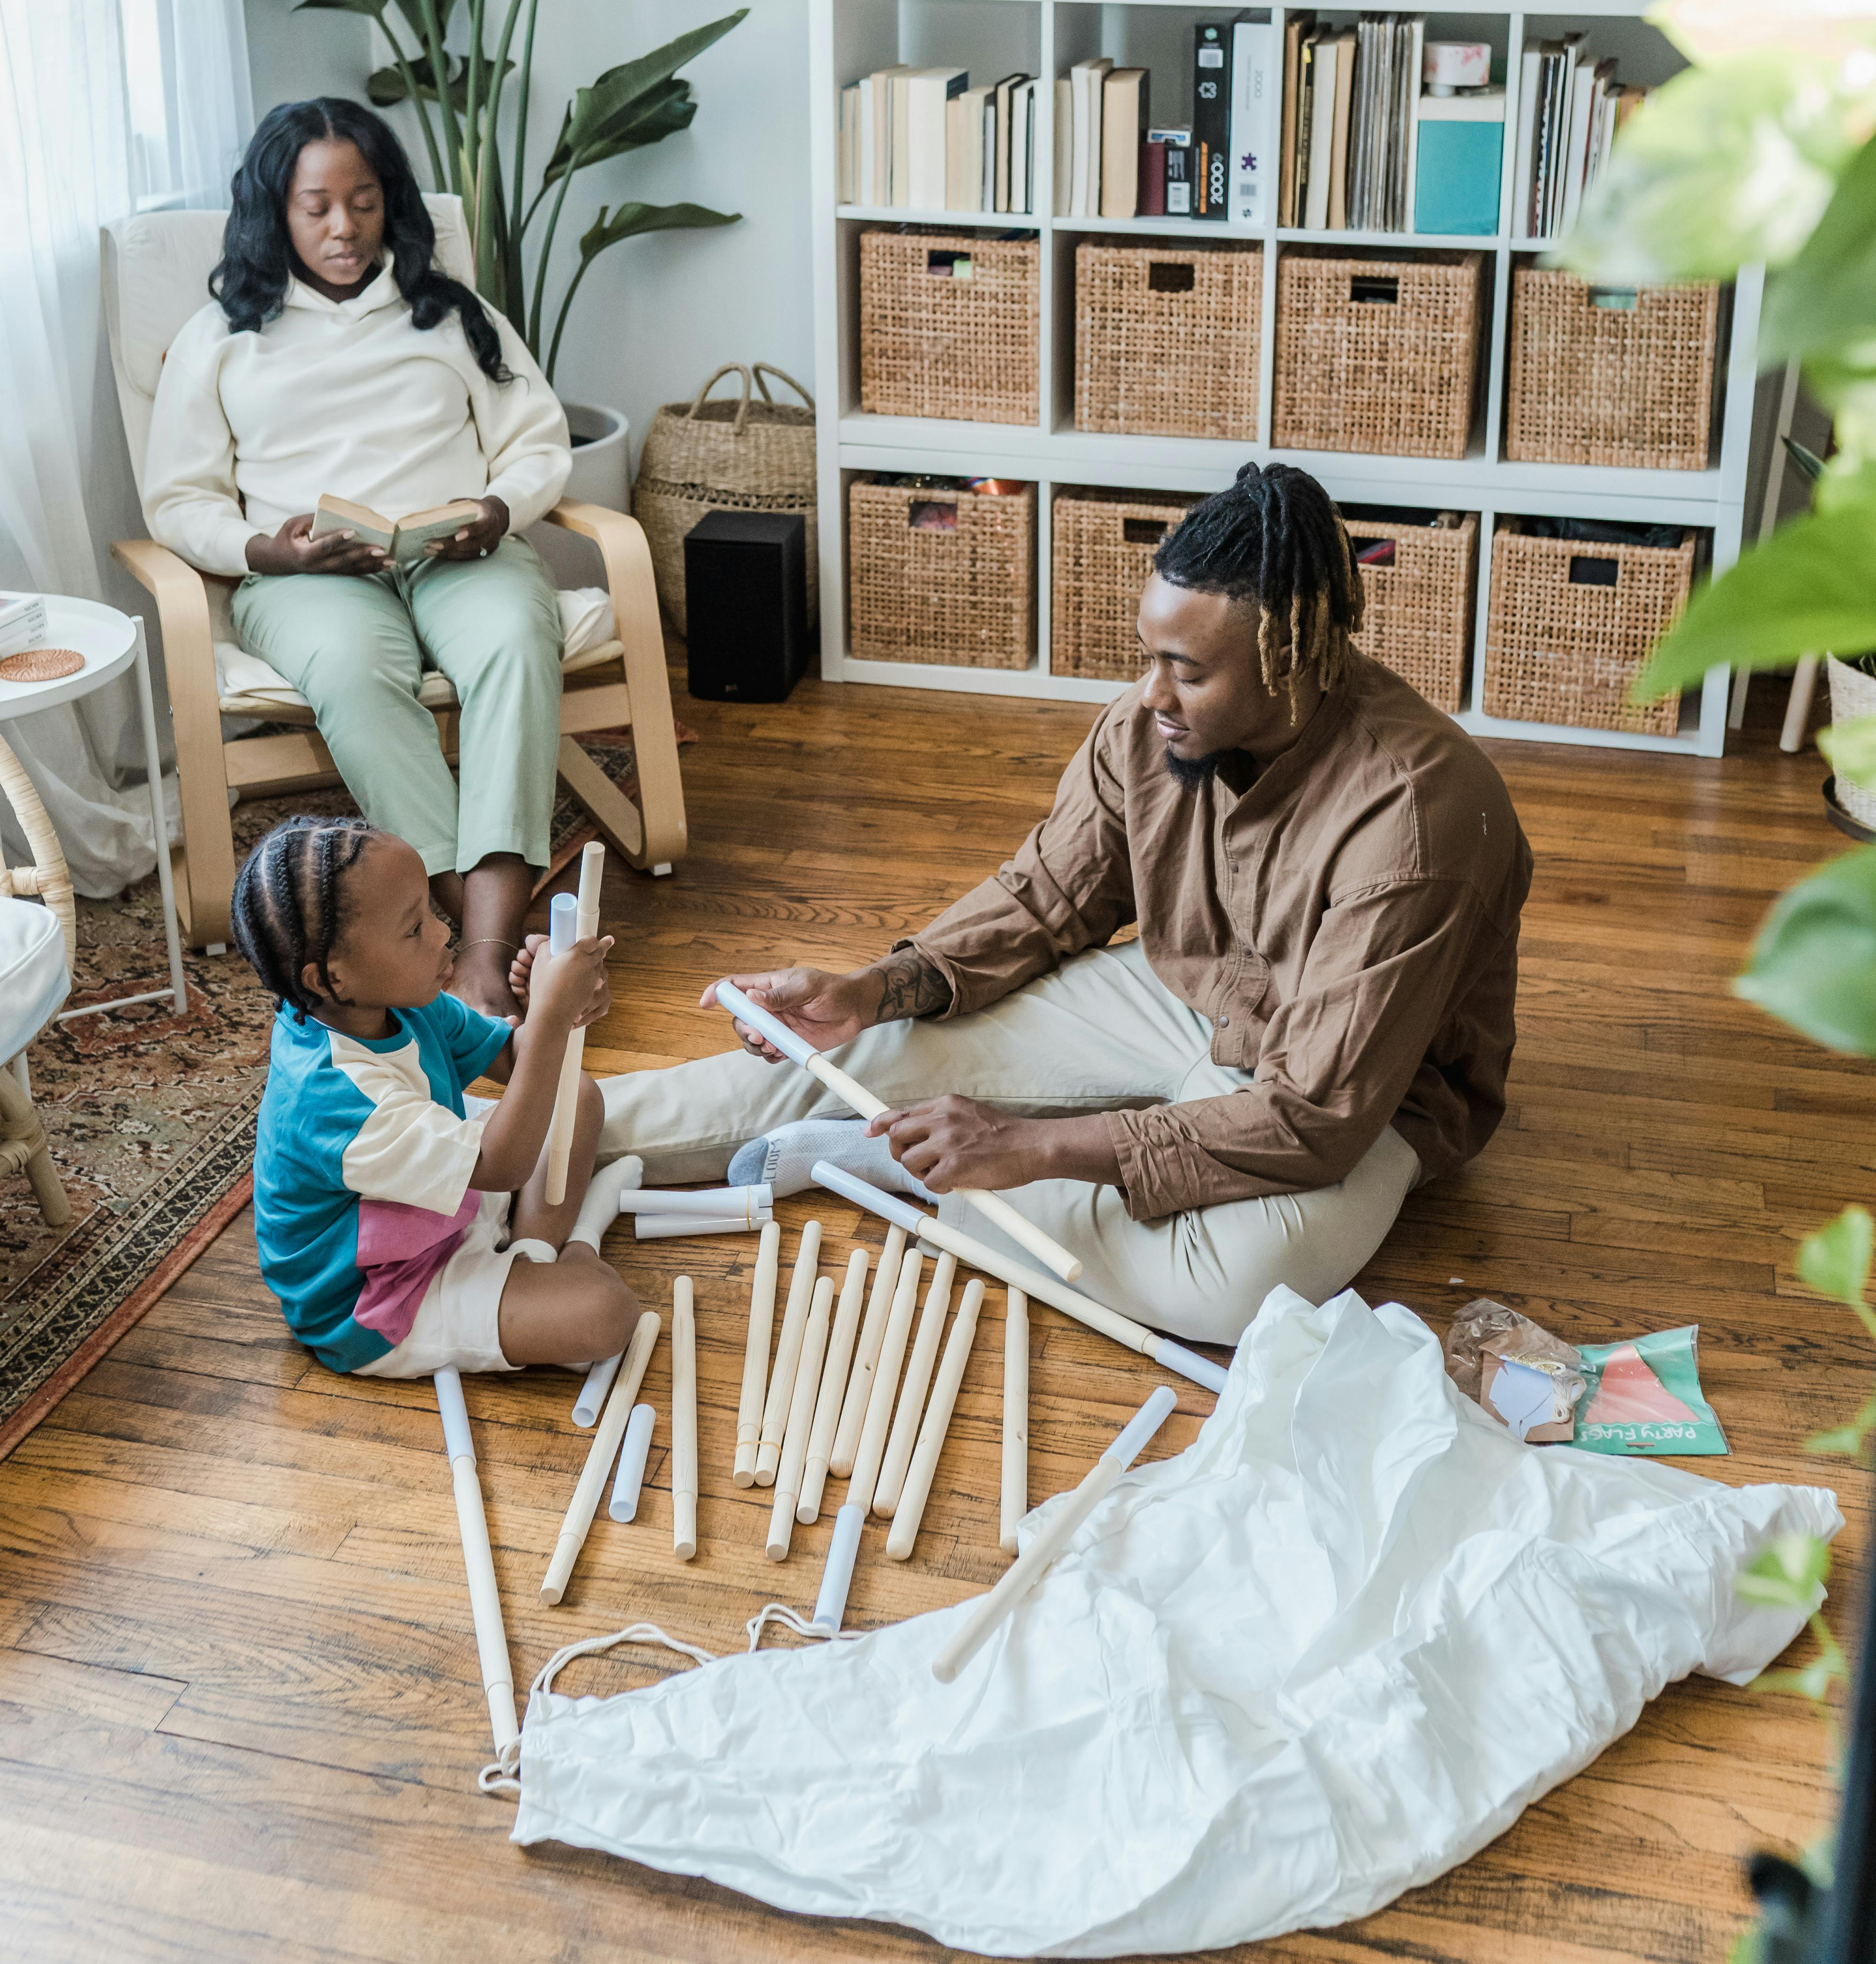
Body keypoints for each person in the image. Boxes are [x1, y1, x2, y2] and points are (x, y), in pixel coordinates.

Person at [590, 461, 1533, 1347]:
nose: (1152, 692)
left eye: (1189, 671)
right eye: (1151, 655)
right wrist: (876, 988)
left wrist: (1029, 1147)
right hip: (1183, 997)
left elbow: (1311, 1120)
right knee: (863, 1045)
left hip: (1354, 1089)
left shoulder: (1416, 821)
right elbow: (1048, 894)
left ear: (1289, 659)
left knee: (1238, 1285)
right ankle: (538, 1135)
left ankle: (899, 1167)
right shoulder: (1151, 723)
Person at [144, 99, 573, 1017]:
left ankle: (486, 956)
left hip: (457, 551)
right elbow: (180, 498)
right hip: (308, 578)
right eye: (317, 207)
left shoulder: (451, 314)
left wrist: (497, 510)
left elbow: (538, 441)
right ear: (278, 212)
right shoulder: (220, 336)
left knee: (513, 641)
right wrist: (265, 548)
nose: (344, 227)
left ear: (392, 205)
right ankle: (466, 932)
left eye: (365, 202)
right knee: (352, 668)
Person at [237, 813, 637, 1378]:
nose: (444, 932)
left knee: (576, 1093)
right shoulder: (333, 1100)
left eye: (429, 910)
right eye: (413, 928)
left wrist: (564, 1007)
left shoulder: (394, 996)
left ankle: (531, 1255)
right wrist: (549, 1016)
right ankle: (569, 1252)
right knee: (606, 1314)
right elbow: (503, 1164)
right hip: (379, 1296)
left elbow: (516, 1061)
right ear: (332, 977)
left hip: (442, 1206)